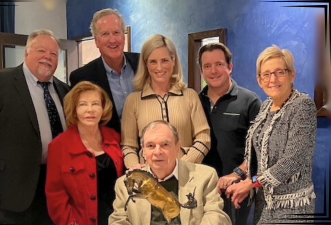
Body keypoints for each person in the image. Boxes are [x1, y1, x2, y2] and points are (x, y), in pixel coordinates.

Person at [0, 29, 70, 224]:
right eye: (41, 51)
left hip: (52, 189)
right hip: (5, 192)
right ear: (26, 52)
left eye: (53, 54)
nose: (47, 57)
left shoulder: (65, 90)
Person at [223, 45, 317, 224]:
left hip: (292, 208)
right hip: (264, 204)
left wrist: (251, 183)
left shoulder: (302, 106)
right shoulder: (265, 106)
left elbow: (293, 160)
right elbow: (255, 157)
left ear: (292, 75)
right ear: (259, 79)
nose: (272, 79)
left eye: (279, 72)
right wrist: (237, 175)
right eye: (266, 74)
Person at [109, 120, 231, 225]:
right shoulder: (125, 184)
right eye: (150, 145)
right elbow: (118, 220)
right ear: (143, 150)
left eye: (165, 145)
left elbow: (216, 215)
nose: (157, 152)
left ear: (177, 147)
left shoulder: (205, 176)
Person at [121, 34, 210, 169]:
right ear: (145, 64)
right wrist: (136, 168)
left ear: (173, 61)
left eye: (164, 60)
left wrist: (182, 167)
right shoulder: (133, 101)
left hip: (187, 176)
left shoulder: (190, 96)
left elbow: (203, 138)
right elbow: (128, 145)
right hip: (148, 180)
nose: (159, 67)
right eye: (153, 62)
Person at [198, 42, 261, 224]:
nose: (213, 71)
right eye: (207, 66)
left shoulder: (250, 101)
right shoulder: (194, 101)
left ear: (230, 67)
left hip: (235, 189)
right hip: (201, 189)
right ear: (201, 71)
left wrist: (236, 174)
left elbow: (258, 151)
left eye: (219, 64)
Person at [46, 81, 124, 225]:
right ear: (74, 109)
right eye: (83, 104)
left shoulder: (114, 137)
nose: (90, 110)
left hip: (118, 219)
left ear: (103, 108)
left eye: (95, 104)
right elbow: (55, 196)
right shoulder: (58, 146)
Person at [69, 8, 140, 133]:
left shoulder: (143, 63)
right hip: (108, 148)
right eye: (105, 34)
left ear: (123, 36)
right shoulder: (82, 77)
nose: (112, 40)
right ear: (96, 41)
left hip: (150, 146)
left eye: (116, 32)